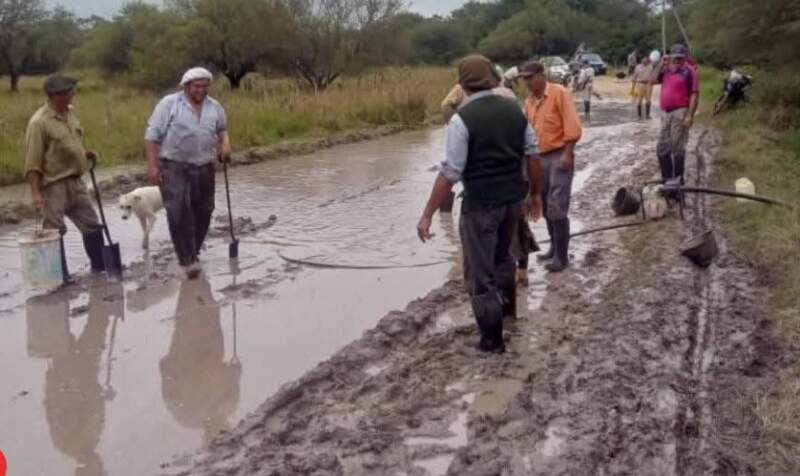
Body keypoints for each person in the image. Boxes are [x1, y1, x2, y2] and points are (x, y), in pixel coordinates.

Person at [418, 55, 543, 354]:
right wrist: (535, 195)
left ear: (462, 85)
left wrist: (427, 214)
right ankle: (509, 317)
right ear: (492, 79)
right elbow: (533, 155)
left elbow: (450, 173)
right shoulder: (515, 110)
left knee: (479, 272)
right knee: (503, 259)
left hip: (481, 205)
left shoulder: (461, 120)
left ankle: (491, 341)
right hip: (512, 202)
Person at [145, 67, 232, 279]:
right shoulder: (169, 104)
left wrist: (225, 144)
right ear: (186, 86)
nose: (201, 90)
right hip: (174, 165)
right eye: (196, 86)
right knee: (177, 211)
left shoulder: (214, 107)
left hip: (204, 164)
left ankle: (193, 250)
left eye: (204, 86)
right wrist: (153, 166)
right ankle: (187, 260)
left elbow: (222, 128)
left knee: (205, 210)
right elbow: (152, 136)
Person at [25, 74, 106, 283]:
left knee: (91, 224)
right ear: (55, 96)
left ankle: (100, 267)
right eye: (69, 92)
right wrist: (36, 193)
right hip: (53, 185)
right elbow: (33, 162)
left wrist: (85, 153)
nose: (73, 95)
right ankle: (60, 278)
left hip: (75, 181)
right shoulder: (39, 123)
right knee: (54, 232)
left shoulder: (70, 113)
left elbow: (70, 143)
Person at [520, 61, 583, 273]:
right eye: (524, 78)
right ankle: (554, 248)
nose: (527, 82)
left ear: (541, 75)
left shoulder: (559, 93)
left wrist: (567, 153)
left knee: (557, 204)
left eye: (530, 77)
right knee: (545, 205)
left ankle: (561, 257)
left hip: (559, 155)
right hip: (538, 158)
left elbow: (572, 125)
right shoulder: (529, 102)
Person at [652, 44, 700, 184]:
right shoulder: (665, 69)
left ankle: (678, 181)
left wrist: (690, 115)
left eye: (680, 58)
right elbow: (652, 81)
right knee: (662, 148)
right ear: (671, 56)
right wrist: (660, 65)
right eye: (675, 57)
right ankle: (667, 180)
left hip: (681, 112)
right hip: (665, 113)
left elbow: (694, 94)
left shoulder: (689, 71)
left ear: (684, 57)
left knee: (677, 147)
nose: (677, 60)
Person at [631, 55, 656, 119]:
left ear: (648, 60)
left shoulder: (651, 66)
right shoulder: (637, 67)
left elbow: (654, 75)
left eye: (646, 59)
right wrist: (632, 88)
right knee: (639, 100)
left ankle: (648, 115)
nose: (645, 60)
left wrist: (652, 82)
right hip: (640, 84)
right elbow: (634, 78)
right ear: (641, 60)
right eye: (643, 59)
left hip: (648, 84)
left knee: (648, 100)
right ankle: (639, 116)